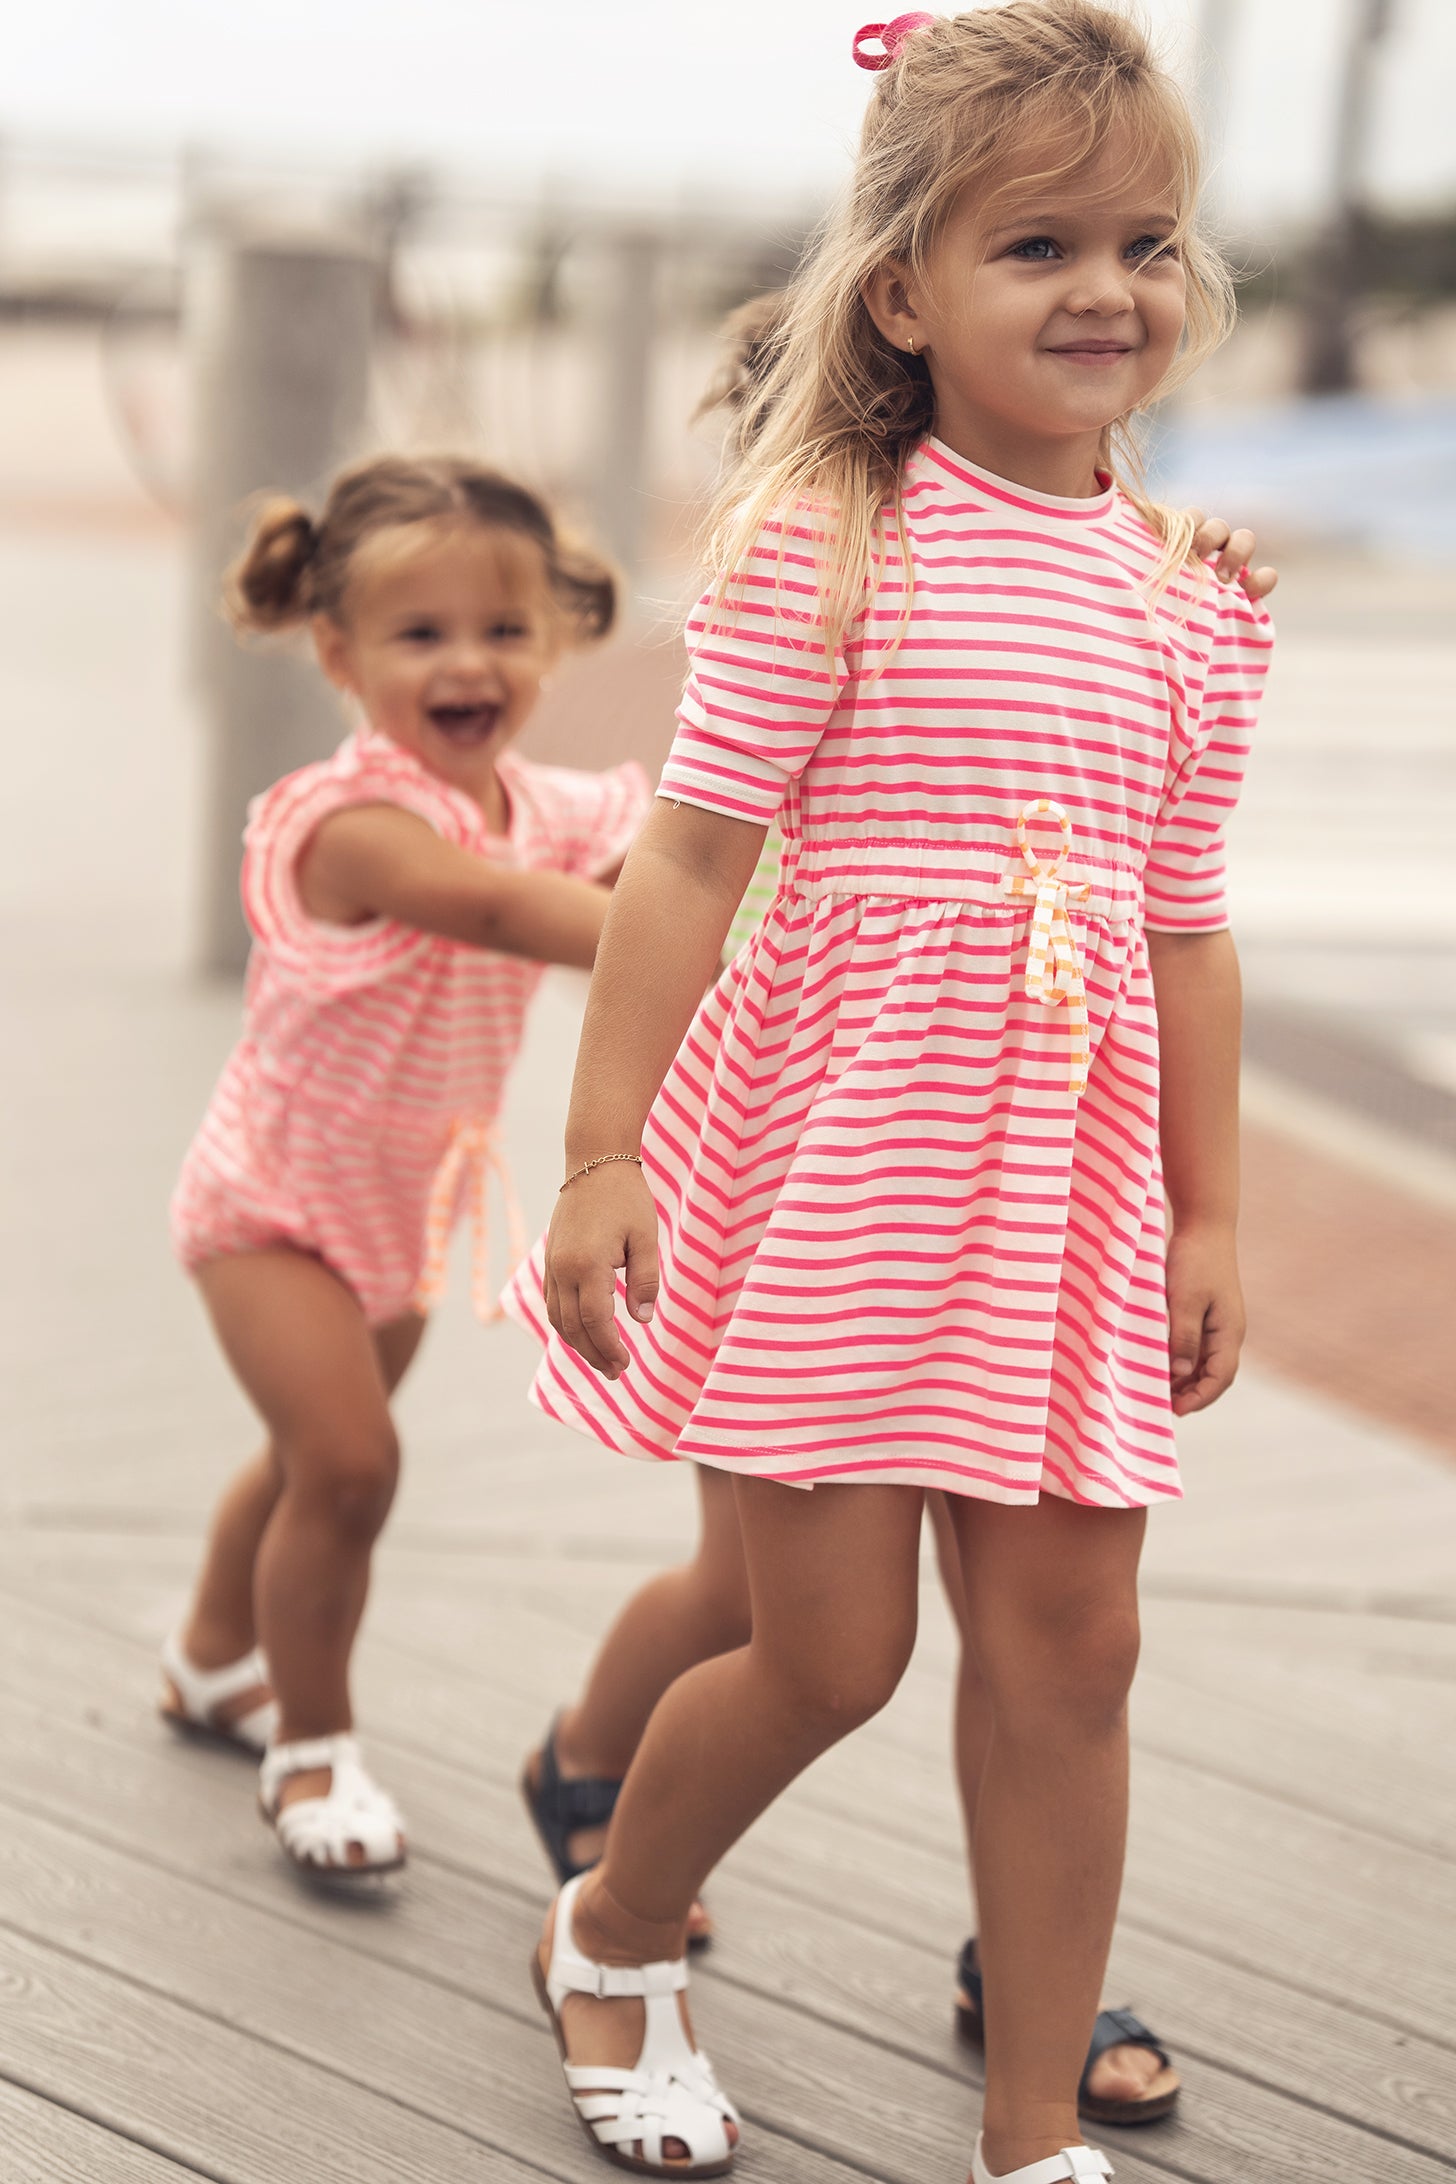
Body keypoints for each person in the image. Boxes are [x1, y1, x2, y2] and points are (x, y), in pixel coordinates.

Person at [510, 0, 1277, 2171]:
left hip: (1067, 1187)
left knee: (1068, 1654)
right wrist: (596, 1155)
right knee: (824, 1650)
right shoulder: (828, 542)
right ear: (903, 290)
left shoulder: (1190, 603)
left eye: (1141, 241)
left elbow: (1183, 928)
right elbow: (683, 859)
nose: (1104, 288)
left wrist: (1209, 1215)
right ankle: (617, 1926)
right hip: (844, 1155)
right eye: (1036, 247)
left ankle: (1029, 2125)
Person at [161, 454, 647, 1879]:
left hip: (397, 1215)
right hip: (267, 1206)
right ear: (338, 653)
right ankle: (311, 1755)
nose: (467, 663)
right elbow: (501, 910)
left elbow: (644, 861)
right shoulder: (354, 821)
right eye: (419, 634)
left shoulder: (542, 806)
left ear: (551, 641)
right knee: (354, 1466)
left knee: (313, 1463)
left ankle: (206, 1660)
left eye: (502, 629)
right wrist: (705, 933)